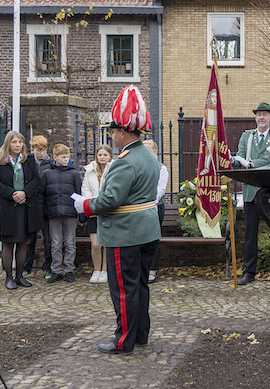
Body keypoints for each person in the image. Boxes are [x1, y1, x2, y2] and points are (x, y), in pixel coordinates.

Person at [73, 85, 161, 355]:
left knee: (124, 289)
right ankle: (141, 334)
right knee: (141, 286)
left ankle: (124, 340)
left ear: (123, 131)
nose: (111, 135)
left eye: (113, 131)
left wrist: (84, 204)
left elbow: (111, 200)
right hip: (147, 231)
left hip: (125, 234)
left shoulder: (124, 161)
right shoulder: (148, 156)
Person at [231, 102, 270, 286]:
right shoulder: (247, 137)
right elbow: (240, 156)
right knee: (250, 234)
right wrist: (233, 160)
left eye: (265, 114)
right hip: (250, 192)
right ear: (255, 118)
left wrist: (252, 163)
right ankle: (249, 271)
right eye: (259, 114)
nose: (261, 117)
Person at [0, 130, 41, 290]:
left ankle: (20, 276)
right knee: (8, 243)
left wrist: (24, 192)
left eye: (20, 142)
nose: (18, 145)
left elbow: (36, 180)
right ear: (8, 144)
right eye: (14, 142)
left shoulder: (29, 160)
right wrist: (12, 194)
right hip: (8, 207)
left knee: (23, 242)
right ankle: (8, 277)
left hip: (26, 206)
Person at [39, 144, 82, 283]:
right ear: (55, 157)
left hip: (70, 212)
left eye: (67, 157)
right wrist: (44, 212)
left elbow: (79, 194)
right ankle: (56, 270)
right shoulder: (47, 174)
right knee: (55, 243)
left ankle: (69, 270)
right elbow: (42, 194)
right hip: (53, 212)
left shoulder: (74, 174)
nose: (66, 159)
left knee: (70, 242)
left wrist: (80, 213)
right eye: (63, 157)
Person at [82, 144, 114, 284]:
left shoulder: (114, 170)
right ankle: (96, 270)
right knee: (95, 244)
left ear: (110, 156)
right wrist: (92, 203)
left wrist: (104, 204)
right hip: (94, 211)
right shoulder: (89, 171)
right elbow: (86, 189)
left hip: (108, 211)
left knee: (106, 243)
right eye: (100, 155)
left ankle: (105, 271)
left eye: (105, 155)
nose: (102, 157)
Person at [25, 135, 53, 279]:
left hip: (47, 204)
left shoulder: (51, 164)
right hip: (31, 203)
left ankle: (48, 266)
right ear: (33, 149)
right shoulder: (29, 163)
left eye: (43, 150)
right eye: (38, 150)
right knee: (30, 239)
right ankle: (26, 267)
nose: (41, 153)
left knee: (48, 238)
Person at [144, 140, 168, 284]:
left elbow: (160, 189)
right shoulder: (138, 166)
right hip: (139, 208)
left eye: (149, 150)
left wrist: (151, 203)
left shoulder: (161, 168)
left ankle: (152, 269)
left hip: (154, 206)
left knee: (153, 239)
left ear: (155, 152)